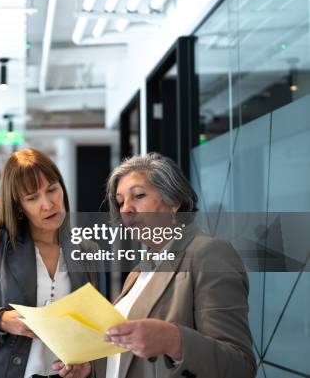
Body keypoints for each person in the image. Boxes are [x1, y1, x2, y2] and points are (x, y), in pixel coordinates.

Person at [53, 152, 256, 378]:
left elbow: (239, 365)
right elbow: (130, 357)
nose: (126, 209)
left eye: (138, 196)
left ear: (174, 202)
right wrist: (93, 367)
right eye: (120, 202)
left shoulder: (209, 254)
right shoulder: (139, 271)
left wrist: (174, 340)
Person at [0, 148, 96, 378]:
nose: (48, 204)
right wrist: (1, 320)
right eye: (32, 198)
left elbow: (91, 327)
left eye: (52, 190)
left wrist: (86, 362)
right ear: (19, 206)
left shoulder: (85, 249)